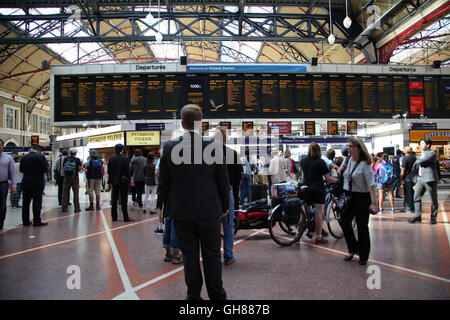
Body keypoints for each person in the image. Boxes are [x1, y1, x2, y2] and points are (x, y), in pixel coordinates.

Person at [157, 104, 229, 300]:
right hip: (209, 209)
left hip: (181, 210)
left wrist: (161, 207)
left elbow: (164, 182)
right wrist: (225, 206)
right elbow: (223, 180)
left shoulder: (169, 147)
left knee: (189, 255)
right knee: (212, 254)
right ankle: (217, 296)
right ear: (201, 123)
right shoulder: (214, 146)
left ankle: (193, 297)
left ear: (182, 123)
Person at [340, 138, 379, 265]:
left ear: (358, 148)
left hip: (362, 198)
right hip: (349, 197)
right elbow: (345, 175)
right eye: (348, 146)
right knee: (344, 221)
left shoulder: (365, 164)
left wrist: (374, 203)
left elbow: (371, 185)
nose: (348, 148)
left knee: (362, 227)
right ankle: (353, 248)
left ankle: (363, 255)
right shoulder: (349, 160)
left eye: (351, 146)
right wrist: (340, 170)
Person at [214, 126, 242, 265]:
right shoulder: (232, 153)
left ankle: (213, 255)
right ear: (226, 138)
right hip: (228, 190)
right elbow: (239, 175)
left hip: (212, 193)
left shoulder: (208, 153)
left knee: (213, 225)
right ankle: (229, 255)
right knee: (228, 225)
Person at [300, 142, 337, 243]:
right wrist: (338, 181)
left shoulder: (303, 160)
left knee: (304, 212)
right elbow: (328, 178)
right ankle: (319, 235)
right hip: (318, 189)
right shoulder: (320, 162)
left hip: (306, 188)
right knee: (319, 213)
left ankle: (298, 234)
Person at [408, 138, 439, 224]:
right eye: (420, 144)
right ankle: (417, 216)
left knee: (433, 199)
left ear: (428, 145)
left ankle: (433, 218)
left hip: (429, 178)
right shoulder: (422, 154)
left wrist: (417, 159)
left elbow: (421, 161)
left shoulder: (432, 153)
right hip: (420, 179)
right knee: (416, 196)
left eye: (422, 144)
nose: (420, 145)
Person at [20, 145, 48, 227]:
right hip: (37, 183)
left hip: (26, 182)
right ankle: (36, 221)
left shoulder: (24, 157)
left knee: (25, 203)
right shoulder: (40, 157)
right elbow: (45, 169)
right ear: (38, 150)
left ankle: (25, 221)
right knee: (37, 202)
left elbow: (21, 169)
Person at [108, 144, 134, 222]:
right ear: (121, 150)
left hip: (114, 181)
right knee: (123, 200)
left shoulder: (111, 159)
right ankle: (125, 217)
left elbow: (109, 171)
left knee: (114, 199)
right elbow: (127, 171)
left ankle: (114, 216)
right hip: (123, 182)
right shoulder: (124, 159)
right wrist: (128, 179)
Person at [0, 139, 16, 230]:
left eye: (0, 145)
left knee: (2, 205)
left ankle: (1, 222)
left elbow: (12, 173)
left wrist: (14, 186)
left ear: (3, 146)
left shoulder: (8, 158)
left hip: (3, 184)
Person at [62, 148, 82, 213]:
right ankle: (76, 208)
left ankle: (64, 208)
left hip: (66, 178)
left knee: (65, 192)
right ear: (75, 153)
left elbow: (63, 168)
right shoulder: (77, 160)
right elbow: (79, 169)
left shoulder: (66, 159)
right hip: (75, 177)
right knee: (76, 193)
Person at [400, 146, 416, 213]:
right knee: (413, 192)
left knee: (407, 193)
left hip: (407, 177)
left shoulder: (405, 158)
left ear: (406, 151)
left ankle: (408, 207)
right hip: (414, 177)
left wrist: (401, 178)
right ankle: (413, 207)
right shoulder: (415, 158)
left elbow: (403, 169)